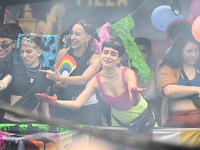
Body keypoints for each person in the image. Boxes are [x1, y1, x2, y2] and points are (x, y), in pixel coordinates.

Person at [36, 38, 157, 128]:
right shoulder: (95, 80)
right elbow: (77, 104)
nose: (108, 57)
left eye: (113, 54)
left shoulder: (127, 73)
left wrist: (135, 94)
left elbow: (134, 102)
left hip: (142, 119)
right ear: (100, 55)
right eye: (105, 52)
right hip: (118, 123)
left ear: (119, 59)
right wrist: (54, 101)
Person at [49, 19, 102, 125]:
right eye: (72, 33)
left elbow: (83, 79)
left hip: (87, 110)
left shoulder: (96, 58)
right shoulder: (62, 53)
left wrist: (61, 78)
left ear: (88, 37)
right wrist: (58, 85)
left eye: (77, 34)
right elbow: (53, 90)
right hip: (63, 108)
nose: (72, 37)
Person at [2, 33, 52, 123]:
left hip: (33, 122)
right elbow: (4, 82)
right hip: (11, 121)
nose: (24, 55)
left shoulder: (46, 72)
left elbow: (45, 100)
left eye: (28, 52)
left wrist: (49, 120)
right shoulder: (15, 68)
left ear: (39, 52)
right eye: (22, 51)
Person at [157, 33, 200, 127]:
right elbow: (168, 90)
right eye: (189, 51)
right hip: (176, 126)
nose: (194, 55)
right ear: (179, 52)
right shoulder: (168, 68)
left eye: (196, 50)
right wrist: (197, 89)